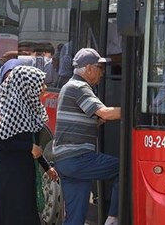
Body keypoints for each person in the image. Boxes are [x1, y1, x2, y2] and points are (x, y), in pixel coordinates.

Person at [50, 48, 121, 225]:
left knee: (74, 219)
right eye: (100, 68)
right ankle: (113, 218)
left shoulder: (69, 87)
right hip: (78, 158)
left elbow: (94, 118)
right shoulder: (79, 87)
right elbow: (104, 113)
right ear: (89, 68)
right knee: (124, 168)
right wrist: (136, 111)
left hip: (65, 161)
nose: (102, 73)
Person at [0, 65, 59, 225]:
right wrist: (28, 148)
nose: (44, 88)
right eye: (40, 84)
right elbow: (4, 142)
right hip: (12, 176)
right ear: (26, 86)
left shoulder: (30, 110)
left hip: (26, 173)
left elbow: (34, 144)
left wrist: (46, 166)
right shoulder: (11, 111)